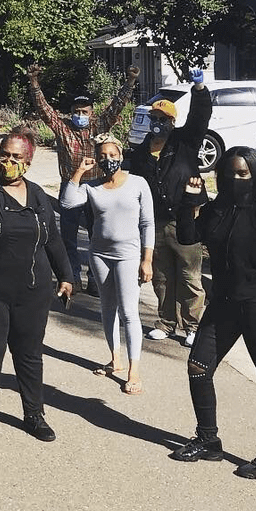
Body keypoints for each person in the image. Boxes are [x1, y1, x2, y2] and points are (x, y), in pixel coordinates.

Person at [169, 147, 256, 480]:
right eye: (229, 172)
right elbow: (188, 236)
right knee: (198, 368)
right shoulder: (218, 208)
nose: (235, 178)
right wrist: (189, 203)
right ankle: (208, 440)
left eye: (243, 174)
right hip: (223, 305)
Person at [0, 130, 73, 442]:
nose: (8, 161)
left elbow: (53, 240)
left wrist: (66, 276)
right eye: (4, 155)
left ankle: (34, 415)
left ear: (28, 162)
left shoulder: (37, 196)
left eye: (16, 157)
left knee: (29, 352)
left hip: (31, 289)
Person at [28, 63, 139, 296]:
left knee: (97, 235)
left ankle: (96, 280)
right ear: (71, 112)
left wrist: (129, 82)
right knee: (67, 236)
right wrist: (34, 82)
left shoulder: (99, 125)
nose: (80, 116)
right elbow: (44, 109)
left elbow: (117, 106)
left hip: (96, 187)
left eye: (84, 112)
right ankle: (72, 278)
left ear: (92, 113)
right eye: (76, 111)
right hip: (71, 186)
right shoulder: (63, 128)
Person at [60, 134, 155, 395]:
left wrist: (147, 260)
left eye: (113, 155)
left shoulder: (137, 183)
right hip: (99, 255)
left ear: (121, 156)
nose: (108, 160)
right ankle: (116, 360)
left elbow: (148, 223)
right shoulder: (93, 187)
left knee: (128, 312)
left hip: (129, 255)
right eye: (102, 156)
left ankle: (134, 369)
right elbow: (67, 202)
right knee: (107, 308)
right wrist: (79, 171)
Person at [129, 70, 212, 346]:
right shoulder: (141, 152)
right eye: (154, 118)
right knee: (162, 276)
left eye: (163, 119)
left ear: (172, 122)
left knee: (189, 276)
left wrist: (199, 87)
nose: (157, 123)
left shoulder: (184, 143)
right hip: (155, 222)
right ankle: (165, 322)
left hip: (185, 218)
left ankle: (192, 326)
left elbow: (201, 118)